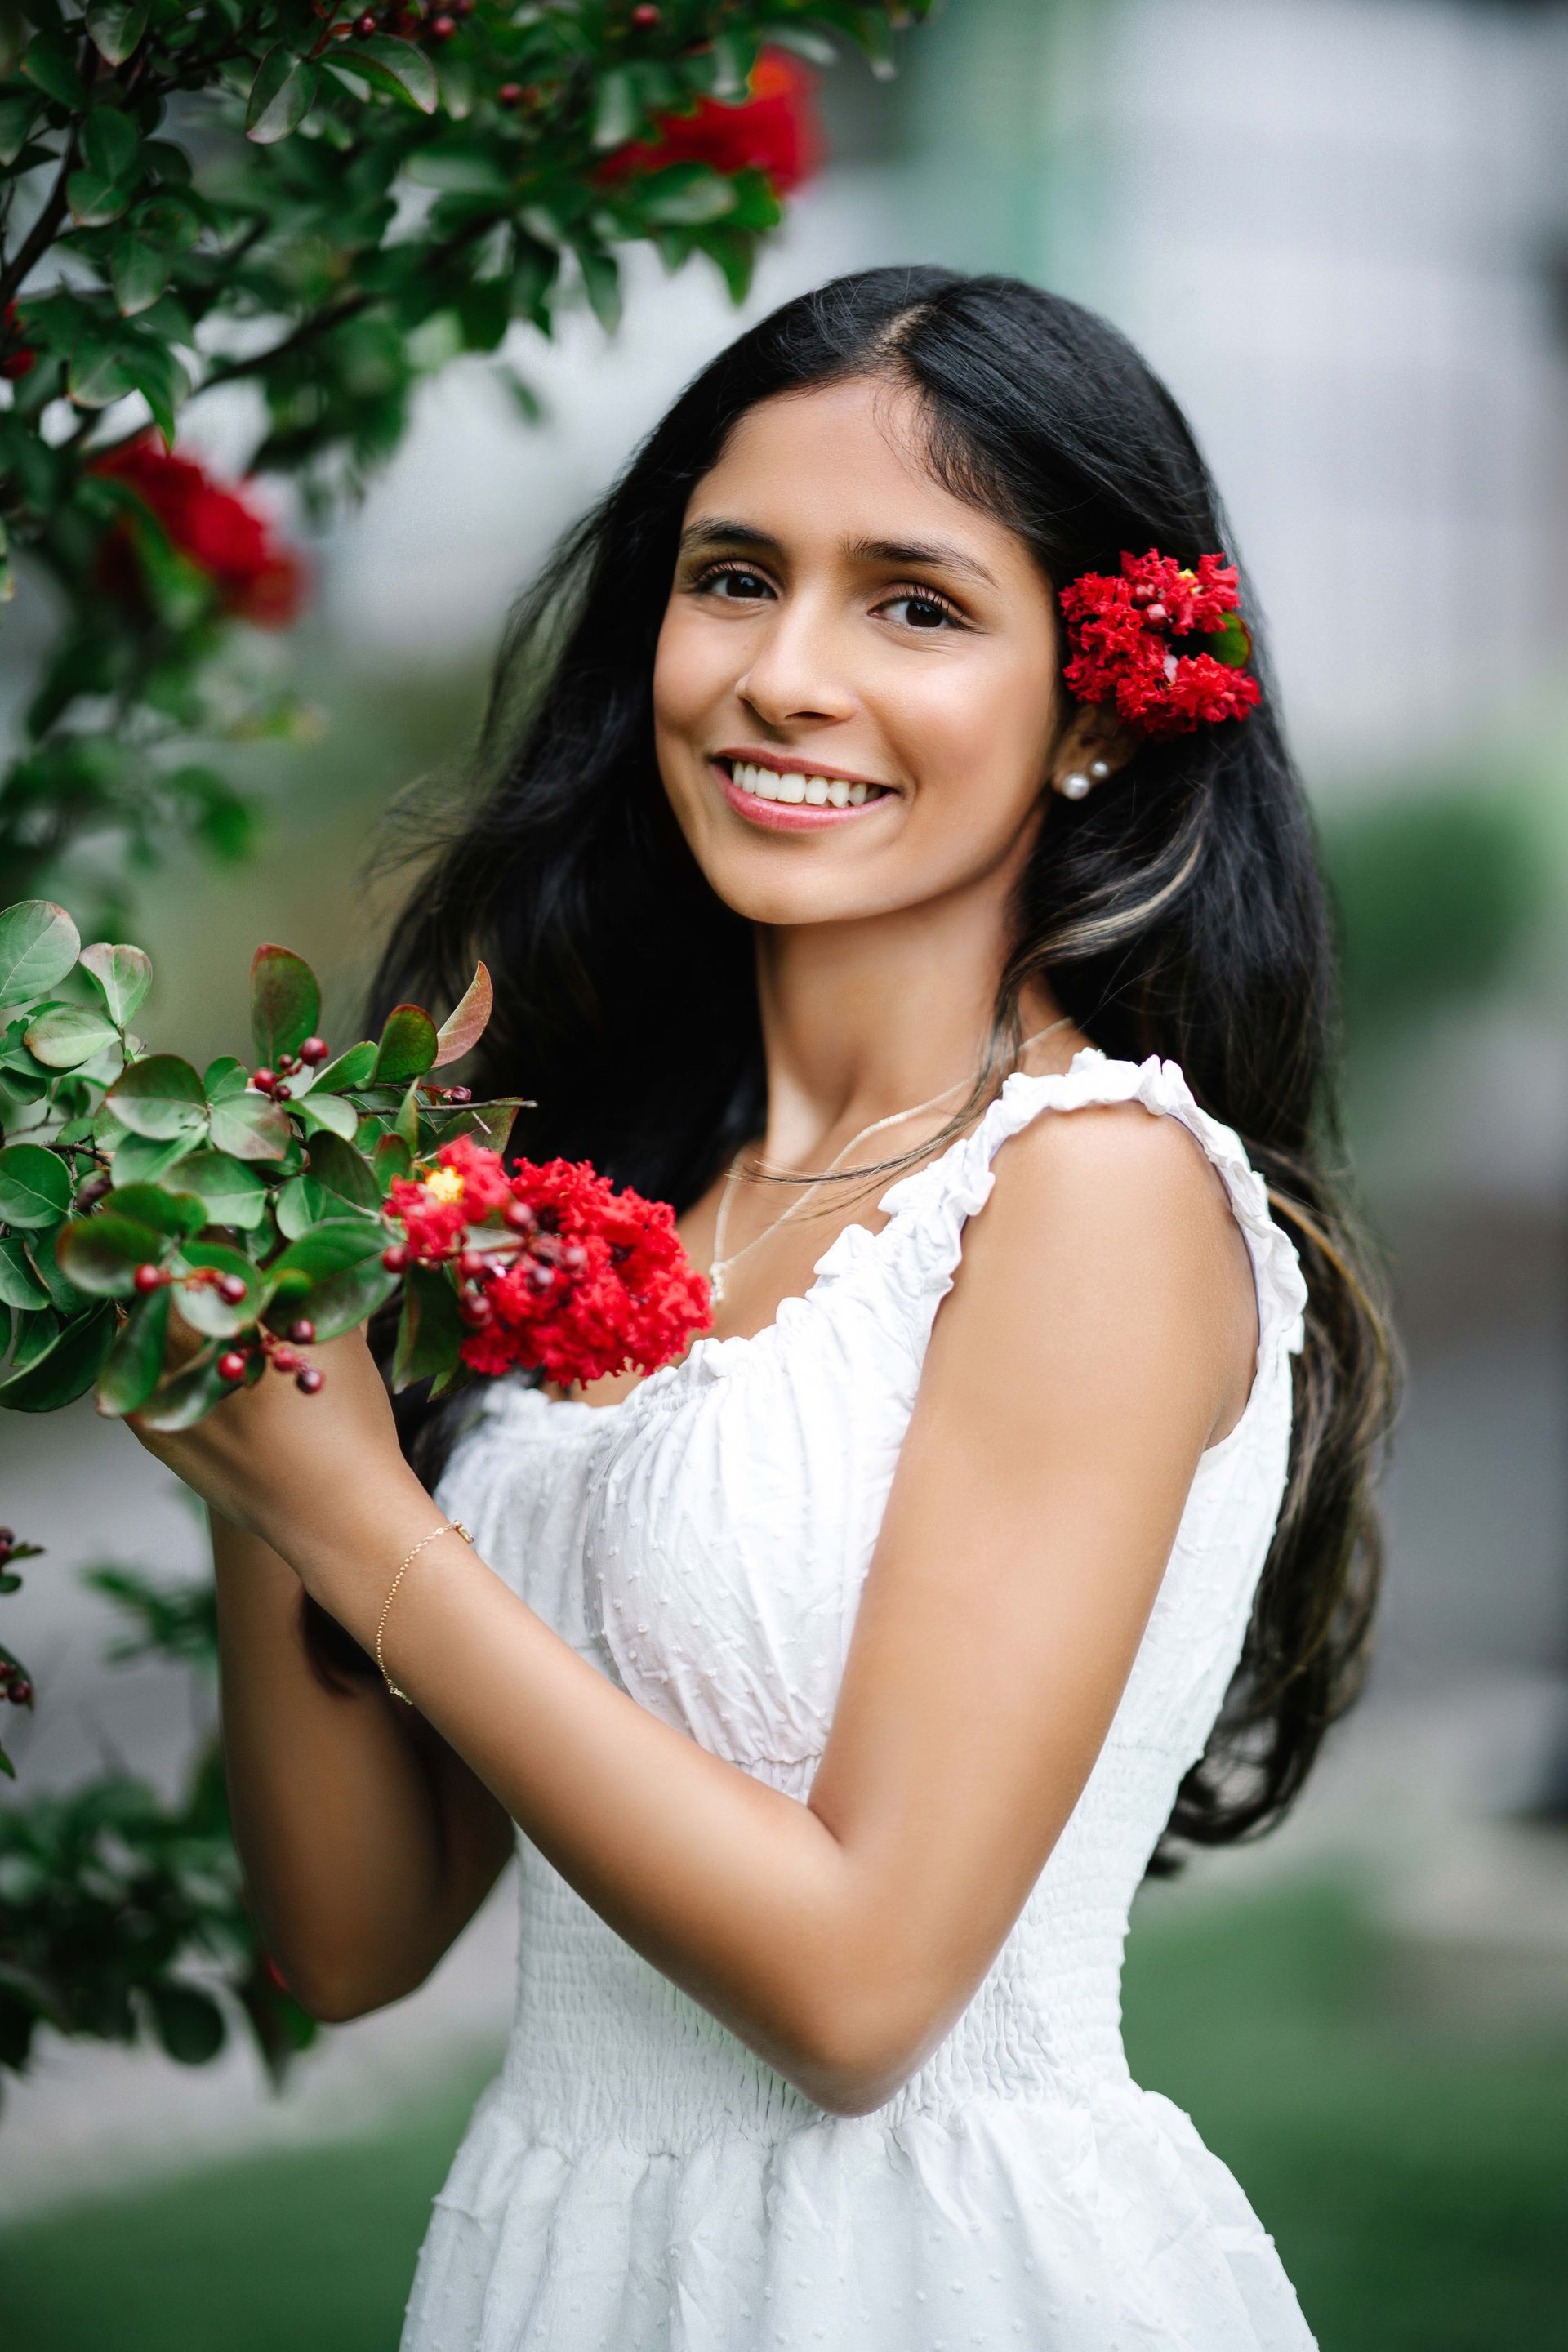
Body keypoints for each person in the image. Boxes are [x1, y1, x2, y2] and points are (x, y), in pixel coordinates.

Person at [132, 267, 1397, 2350]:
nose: (782, 675)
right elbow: (351, 1943)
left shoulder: (1091, 1193)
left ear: (1096, 702)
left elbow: (859, 1994)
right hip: (559, 2265)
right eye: (734, 577)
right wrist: (266, 1416)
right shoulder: (606, 1211)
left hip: (936, 2274)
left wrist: (356, 1515)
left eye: (913, 603)